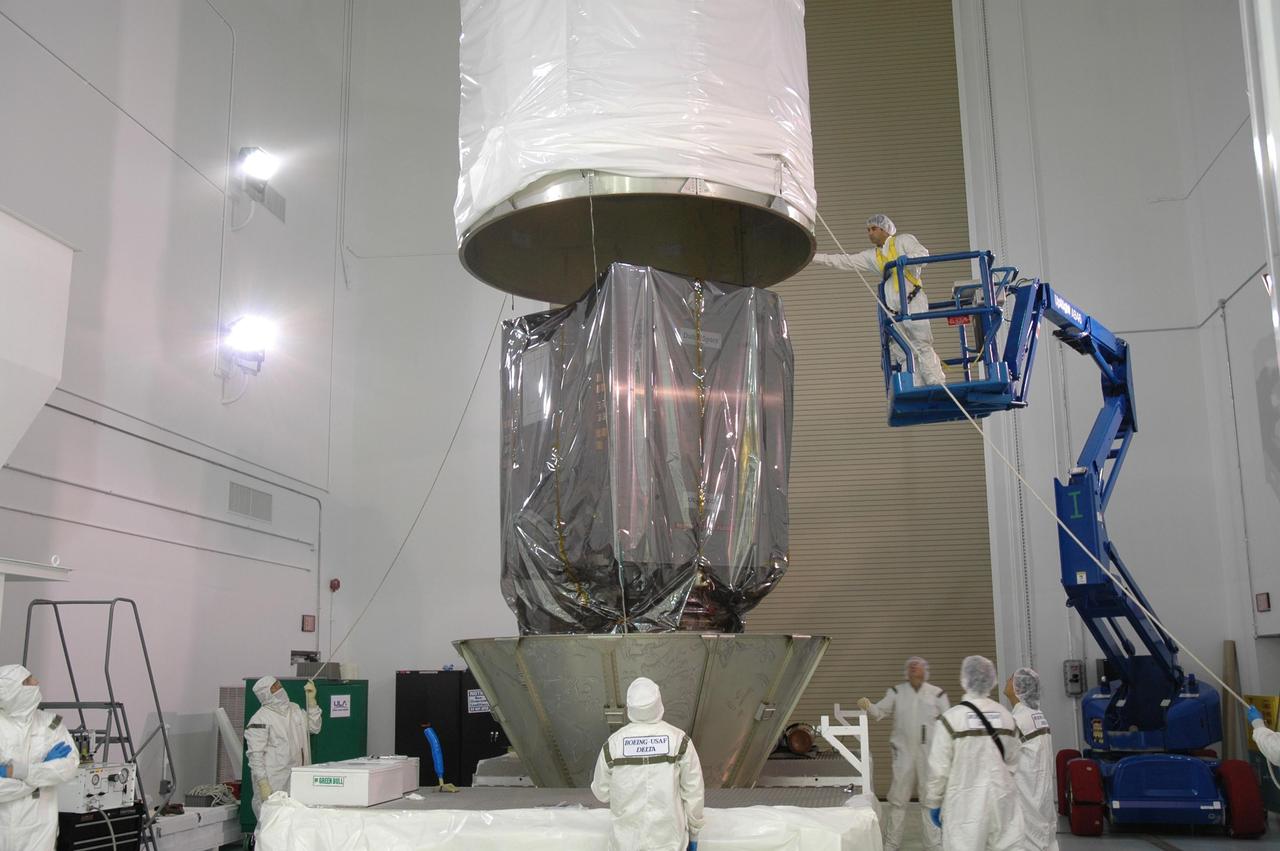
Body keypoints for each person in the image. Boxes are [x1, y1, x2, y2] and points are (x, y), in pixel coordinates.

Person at [810, 213, 947, 386]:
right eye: (868, 230)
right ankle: (913, 386)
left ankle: (936, 384)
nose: (870, 233)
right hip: (893, 309)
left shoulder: (902, 241)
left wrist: (908, 260)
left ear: (884, 229)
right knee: (901, 349)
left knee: (922, 342)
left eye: (873, 229)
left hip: (912, 300)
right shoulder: (873, 256)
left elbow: (923, 254)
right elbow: (844, 260)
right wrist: (812, 257)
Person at [591, 677, 705, 851]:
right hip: (671, 843)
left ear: (630, 709)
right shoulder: (679, 740)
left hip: (624, 844)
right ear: (658, 704)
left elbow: (601, 793)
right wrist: (695, 831)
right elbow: (693, 791)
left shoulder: (613, 745)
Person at [924, 655, 1024, 850]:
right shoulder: (1006, 717)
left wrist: (934, 802)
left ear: (964, 680)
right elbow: (1013, 760)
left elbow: (939, 769)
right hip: (1003, 801)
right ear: (991, 680)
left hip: (964, 804)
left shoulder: (951, 719)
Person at [857, 657, 949, 851]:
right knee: (898, 800)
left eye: (918, 667)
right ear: (906, 672)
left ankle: (934, 844)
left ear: (925, 671)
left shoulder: (937, 694)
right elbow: (879, 711)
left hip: (929, 754)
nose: (914, 670)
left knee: (930, 798)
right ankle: (892, 843)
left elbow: (949, 723)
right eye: (911, 667)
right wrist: (868, 705)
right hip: (904, 753)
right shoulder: (897, 692)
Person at [0, 665, 79, 850]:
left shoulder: (51, 724)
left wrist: (17, 772)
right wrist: (41, 775)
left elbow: (69, 766)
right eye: (28, 681)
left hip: (40, 829)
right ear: (12, 691)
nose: (37, 682)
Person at [244, 676, 322, 819]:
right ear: (265, 694)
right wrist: (262, 783)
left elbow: (314, 727)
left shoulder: (295, 709)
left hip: (298, 779)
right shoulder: (260, 719)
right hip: (275, 783)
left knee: (297, 825)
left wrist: (312, 704)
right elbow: (255, 755)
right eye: (274, 688)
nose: (279, 689)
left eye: (279, 685)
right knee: (273, 828)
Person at [1006, 667, 1059, 851]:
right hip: (1040, 795)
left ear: (1017, 688)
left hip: (1027, 795)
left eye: (1010, 679)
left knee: (1028, 840)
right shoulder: (1038, 716)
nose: (1007, 681)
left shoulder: (1018, 720)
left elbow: (1001, 757)